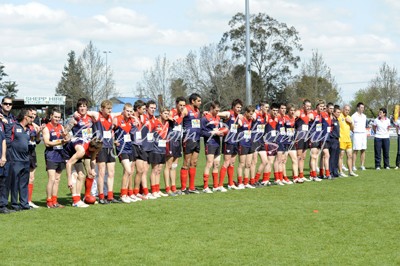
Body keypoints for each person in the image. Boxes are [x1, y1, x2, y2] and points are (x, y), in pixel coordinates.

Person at [88, 100, 120, 204]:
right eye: (107, 109)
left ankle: (110, 196)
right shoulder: (97, 115)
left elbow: (121, 113)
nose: (109, 111)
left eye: (111, 109)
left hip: (110, 147)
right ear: (102, 108)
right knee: (101, 173)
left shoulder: (111, 117)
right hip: (101, 148)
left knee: (111, 173)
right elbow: (86, 112)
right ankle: (101, 196)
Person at [6, 108, 35, 211]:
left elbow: (35, 140)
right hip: (15, 160)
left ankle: (24, 204)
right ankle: (14, 205)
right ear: (25, 117)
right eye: (31, 117)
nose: (32, 119)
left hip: (26, 160)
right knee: (14, 183)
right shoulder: (14, 126)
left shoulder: (28, 129)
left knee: (24, 184)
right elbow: (7, 141)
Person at [113, 103, 140, 203]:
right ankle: (123, 194)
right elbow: (110, 129)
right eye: (127, 111)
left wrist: (133, 117)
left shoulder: (131, 120)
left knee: (129, 172)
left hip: (129, 147)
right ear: (123, 110)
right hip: (122, 148)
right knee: (128, 171)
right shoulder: (117, 119)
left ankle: (126, 193)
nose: (129, 113)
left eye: (130, 111)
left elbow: (138, 124)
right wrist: (114, 141)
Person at [43, 108, 69, 208]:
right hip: (51, 155)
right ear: (51, 117)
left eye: (59, 117)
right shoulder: (47, 128)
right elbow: (47, 143)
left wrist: (65, 137)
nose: (57, 119)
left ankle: (55, 201)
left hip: (60, 155)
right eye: (55, 117)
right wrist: (60, 141)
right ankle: (49, 201)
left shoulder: (61, 127)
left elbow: (66, 139)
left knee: (57, 179)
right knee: (52, 179)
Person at [201, 101, 226, 193]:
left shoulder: (218, 118)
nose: (217, 112)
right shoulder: (205, 119)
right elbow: (202, 132)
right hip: (209, 142)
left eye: (218, 110)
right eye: (216, 110)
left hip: (217, 143)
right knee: (209, 164)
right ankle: (205, 187)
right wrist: (212, 133)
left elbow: (219, 129)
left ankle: (215, 186)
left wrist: (221, 133)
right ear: (211, 108)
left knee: (217, 164)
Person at [219, 99, 243, 190]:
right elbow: (217, 114)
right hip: (228, 141)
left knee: (232, 163)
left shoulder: (238, 117)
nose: (239, 109)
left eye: (240, 107)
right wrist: (207, 113)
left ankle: (230, 184)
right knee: (226, 162)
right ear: (233, 107)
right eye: (237, 107)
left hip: (235, 141)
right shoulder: (229, 113)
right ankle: (220, 185)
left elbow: (239, 126)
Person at [164, 97, 186, 196]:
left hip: (178, 141)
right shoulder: (172, 112)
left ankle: (174, 187)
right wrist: (170, 117)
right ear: (176, 104)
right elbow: (167, 116)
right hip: (170, 141)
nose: (182, 107)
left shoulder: (181, 114)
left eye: (183, 105)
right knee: (168, 165)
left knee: (174, 166)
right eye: (180, 105)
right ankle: (168, 188)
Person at [181, 93, 202, 194]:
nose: (200, 103)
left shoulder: (198, 111)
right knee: (186, 163)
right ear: (192, 101)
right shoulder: (186, 109)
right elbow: (178, 119)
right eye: (198, 101)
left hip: (197, 139)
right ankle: (184, 188)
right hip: (188, 139)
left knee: (194, 163)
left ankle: (192, 187)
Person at [0, 96, 16, 214]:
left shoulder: (12, 117)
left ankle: (4, 204)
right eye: (6, 103)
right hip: (2, 149)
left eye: (10, 104)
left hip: (10, 150)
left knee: (7, 179)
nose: (8, 106)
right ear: (1, 104)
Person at [27, 107, 44, 209]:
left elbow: (37, 141)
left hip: (32, 153)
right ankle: (22, 201)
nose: (33, 116)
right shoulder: (22, 125)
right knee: (22, 178)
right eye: (31, 114)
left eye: (34, 114)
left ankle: (29, 201)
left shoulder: (35, 126)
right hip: (23, 154)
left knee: (31, 178)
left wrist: (38, 132)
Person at [250, 101, 269, 186]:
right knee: (254, 162)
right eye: (265, 107)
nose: (267, 109)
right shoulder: (255, 114)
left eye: (268, 108)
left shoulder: (266, 117)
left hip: (261, 141)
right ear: (261, 107)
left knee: (265, 161)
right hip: (254, 140)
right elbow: (246, 117)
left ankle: (256, 179)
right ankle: (252, 181)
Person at [237, 105, 256, 189]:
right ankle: (240, 182)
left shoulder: (251, 120)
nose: (251, 115)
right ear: (246, 113)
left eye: (252, 113)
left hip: (249, 143)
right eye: (250, 114)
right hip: (242, 143)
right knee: (242, 164)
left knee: (248, 164)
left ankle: (246, 182)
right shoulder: (241, 119)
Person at [338, 105, 358, 177]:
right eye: (346, 109)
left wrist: (351, 123)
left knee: (350, 155)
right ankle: (340, 172)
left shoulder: (349, 118)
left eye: (348, 110)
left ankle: (350, 171)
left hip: (348, 140)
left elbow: (353, 129)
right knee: (341, 156)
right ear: (343, 109)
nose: (347, 111)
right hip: (341, 139)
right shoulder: (339, 116)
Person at [351, 102, 367, 171]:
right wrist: (354, 131)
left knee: (363, 150)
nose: (362, 109)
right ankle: (353, 165)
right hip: (356, 134)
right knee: (355, 150)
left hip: (363, 134)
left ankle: (362, 165)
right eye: (361, 107)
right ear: (358, 108)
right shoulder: (353, 116)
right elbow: (351, 125)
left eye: (363, 108)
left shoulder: (364, 116)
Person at [329, 106, 341, 178]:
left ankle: (335, 172)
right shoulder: (332, 120)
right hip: (333, 139)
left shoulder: (337, 120)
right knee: (332, 157)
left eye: (340, 112)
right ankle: (330, 172)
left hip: (337, 139)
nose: (339, 114)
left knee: (337, 156)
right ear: (334, 112)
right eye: (337, 112)